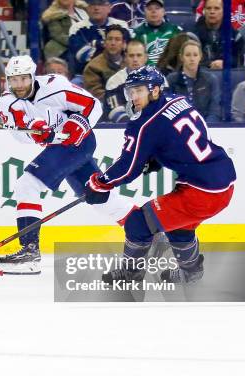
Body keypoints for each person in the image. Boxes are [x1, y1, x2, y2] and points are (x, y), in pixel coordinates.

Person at [84, 65, 236, 284]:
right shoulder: (178, 100)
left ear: (155, 90)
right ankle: (191, 273)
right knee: (178, 226)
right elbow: (194, 133)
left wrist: (100, 183)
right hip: (222, 180)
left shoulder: (144, 124)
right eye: (130, 91)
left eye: (139, 90)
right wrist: (157, 156)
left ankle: (130, 274)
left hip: (202, 192)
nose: (133, 96)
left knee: (138, 223)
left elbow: (128, 169)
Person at [0, 55, 133, 274]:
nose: (19, 85)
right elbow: (20, 132)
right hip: (60, 147)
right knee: (98, 198)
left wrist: (79, 123)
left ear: (31, 76)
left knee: (27, 185)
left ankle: (29, 252)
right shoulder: (6, 102)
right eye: (14, 80)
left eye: (23, 79)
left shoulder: (55, 86)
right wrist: (37, 131)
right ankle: (149, 232)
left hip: (81, 141)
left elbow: (92, 105)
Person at [68, 0, 130, 76]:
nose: (96, 8)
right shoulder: (77, 28)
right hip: (85, 74)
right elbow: (81, 55)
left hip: (119, 72)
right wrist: (108, 47)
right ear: (87, 8)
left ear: (109, 8)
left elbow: (125, 50)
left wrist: (94, 44)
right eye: (92, 4)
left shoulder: (121, 25)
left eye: (101, 4)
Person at [167, 40, 222, 121]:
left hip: (206, 126)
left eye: (195, 55)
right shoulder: (171, 80)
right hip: (178, 127)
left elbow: (215, 110)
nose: (192, 59)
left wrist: (206, 127)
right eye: (188, 55)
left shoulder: (210, 79)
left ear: (200, 57)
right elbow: (167, 110)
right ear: (181, 57)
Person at [103, 39, 150, 122]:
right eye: (131, 56)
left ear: (146, 58)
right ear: (125, 57)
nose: (135, 59)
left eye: (139, 55)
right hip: (123, 128)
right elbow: (116, 114)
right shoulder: (115, 81)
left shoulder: (159, 79)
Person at [83, 24, 128, 101]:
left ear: (124, 44)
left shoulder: (131, 62)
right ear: (104, 43)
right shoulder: (93, 67)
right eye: (110, 39)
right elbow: (95, 94)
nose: (113, 43)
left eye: (117, 39)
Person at [192, 0, 239, 70]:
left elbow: (239, 60)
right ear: (204, 11)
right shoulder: (193, 35)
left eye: (216, 8)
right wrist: (210, 64)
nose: (212, 12)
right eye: (208, 8)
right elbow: (190, 59)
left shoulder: (235, 35)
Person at [134, 0, 182, 66]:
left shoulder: (175, 30)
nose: (153, 11)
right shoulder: (137, 32)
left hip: (169, 71)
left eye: (157, 8)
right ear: (145, 12)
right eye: (150, 9)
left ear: (163, 12)